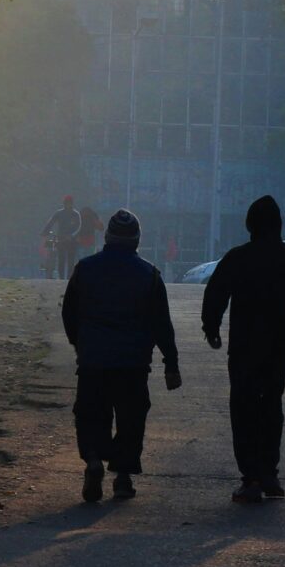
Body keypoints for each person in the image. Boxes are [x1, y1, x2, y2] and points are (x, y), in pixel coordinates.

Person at [201, 195, 285, 503]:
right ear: (278, 225)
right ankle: (270, 473)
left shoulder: (238, 257)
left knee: (243, 408)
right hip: (278, 347)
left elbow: (215, 295)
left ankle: (251, 477)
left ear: (250, 225)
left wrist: (211, 329)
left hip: (243, 346)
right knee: (271, 406)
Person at [61, 209, 182, 502]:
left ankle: (93, 459)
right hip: (133, 363)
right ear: (137, 240)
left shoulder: (85, 269)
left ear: (107, 237)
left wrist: (80, 344)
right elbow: (161, 324)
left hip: (93, 360)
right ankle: (124, 477)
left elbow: (69, 313)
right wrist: (171, 364)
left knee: (91, 414)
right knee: (131, 419)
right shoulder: (150, 275)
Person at [42, 195, 82, 279]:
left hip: (72, 240)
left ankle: (69, 278)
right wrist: (44, 231)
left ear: (71, 204)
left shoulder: (75, 214)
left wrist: (71, 236)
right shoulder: (59, 213)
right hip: (61, 239)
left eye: (69, 203)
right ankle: (61, 278)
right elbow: (51, 222)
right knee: (61, 259)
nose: (67, 205)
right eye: (66, 203)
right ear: (64, 204)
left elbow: (79, 227)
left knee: (71, 261)